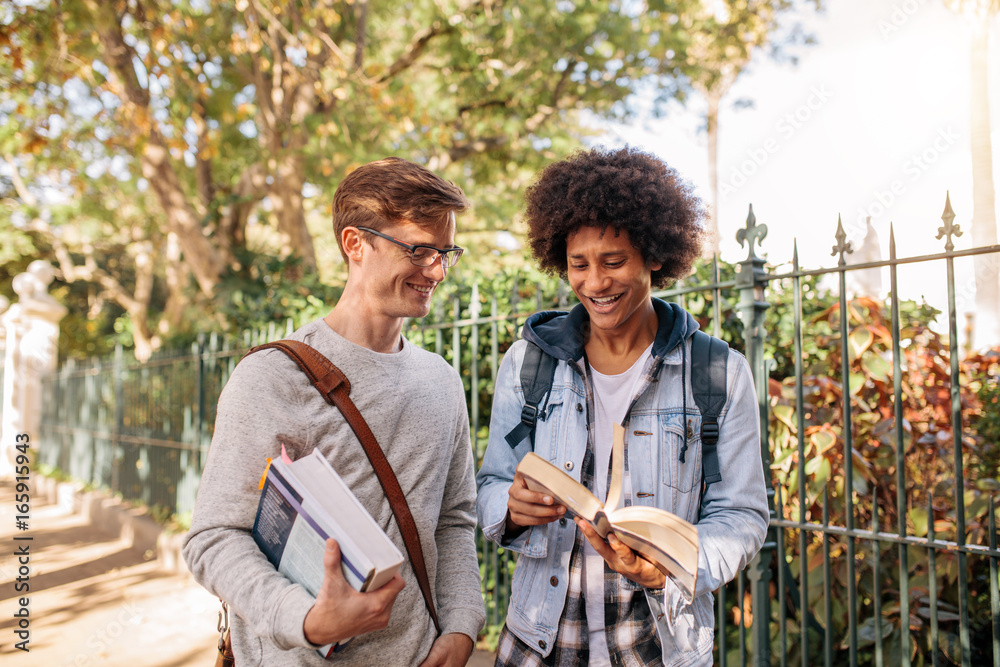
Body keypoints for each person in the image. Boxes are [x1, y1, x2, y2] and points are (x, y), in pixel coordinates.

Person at [184, 157, 486, 666]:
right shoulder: (272, 377)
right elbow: (214, 538)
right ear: (355, 244)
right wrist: (304, 619)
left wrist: (461, 625)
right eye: (418, 250)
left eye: (445, 252)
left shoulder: (442, 380)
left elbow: (454, 521)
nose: (436, 270)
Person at [476, 146, 769, 666]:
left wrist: (675, 566)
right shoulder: (527, 363)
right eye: (578, 265)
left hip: (659, 646)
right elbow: (492, 484)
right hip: (537, 643)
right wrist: (511, 510)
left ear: (655, 256)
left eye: (614, 262)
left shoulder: (718, 372)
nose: (594, 283)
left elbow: (741, 515)